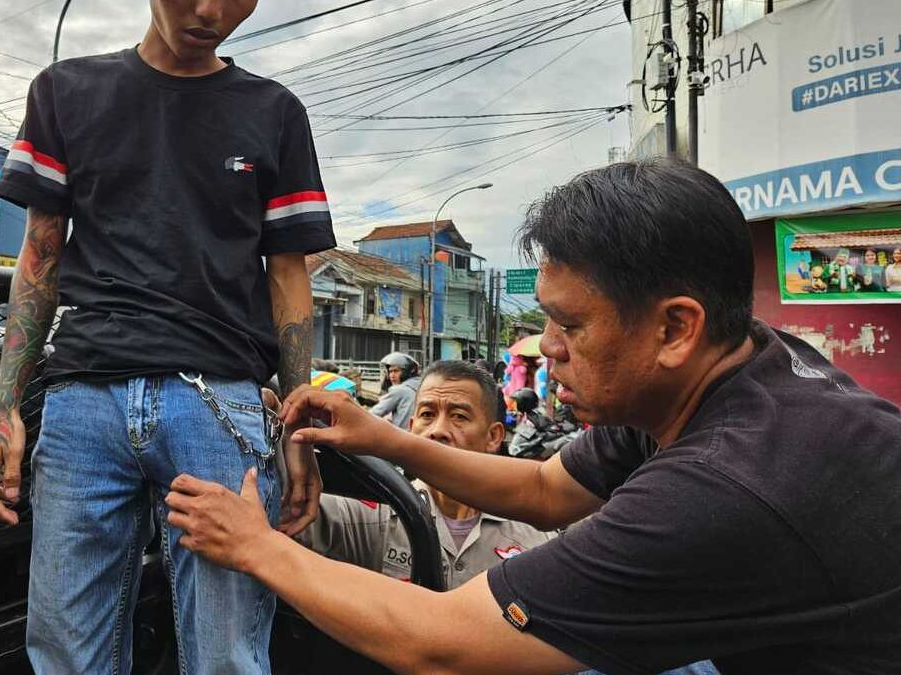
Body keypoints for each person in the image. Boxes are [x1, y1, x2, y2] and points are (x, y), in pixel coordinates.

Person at [164, 158, 901, 674]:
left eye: (570, 325)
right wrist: (385, 439)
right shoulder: (725, 367)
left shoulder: (725, 483)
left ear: (675, 327)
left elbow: (445, 646)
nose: (546, 347)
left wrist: (258, 547)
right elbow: (547, 490)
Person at [0, 0, 336, 673]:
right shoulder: (65, 92)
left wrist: (297, 433)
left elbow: (289, 276)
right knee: (65, 651)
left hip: (222, 404)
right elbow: (39, 258)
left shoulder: (275, 112)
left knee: (228, 654)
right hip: (84, 399)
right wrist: (4, 409)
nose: (210, 8)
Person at [301, 360, 556, 589]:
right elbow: (295, 514)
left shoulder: (536, 537)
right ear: (412, 427)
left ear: (493, 437)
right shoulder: (376, 512)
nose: (438, 430)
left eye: (459, 416)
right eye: (427, 415)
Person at [370, 352, 421, 428]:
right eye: (390, 371)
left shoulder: (399, 390)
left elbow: (373, 414)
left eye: (396, 371)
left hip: (402, 433)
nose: (392, 375)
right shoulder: (421, 385)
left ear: (407, 372)